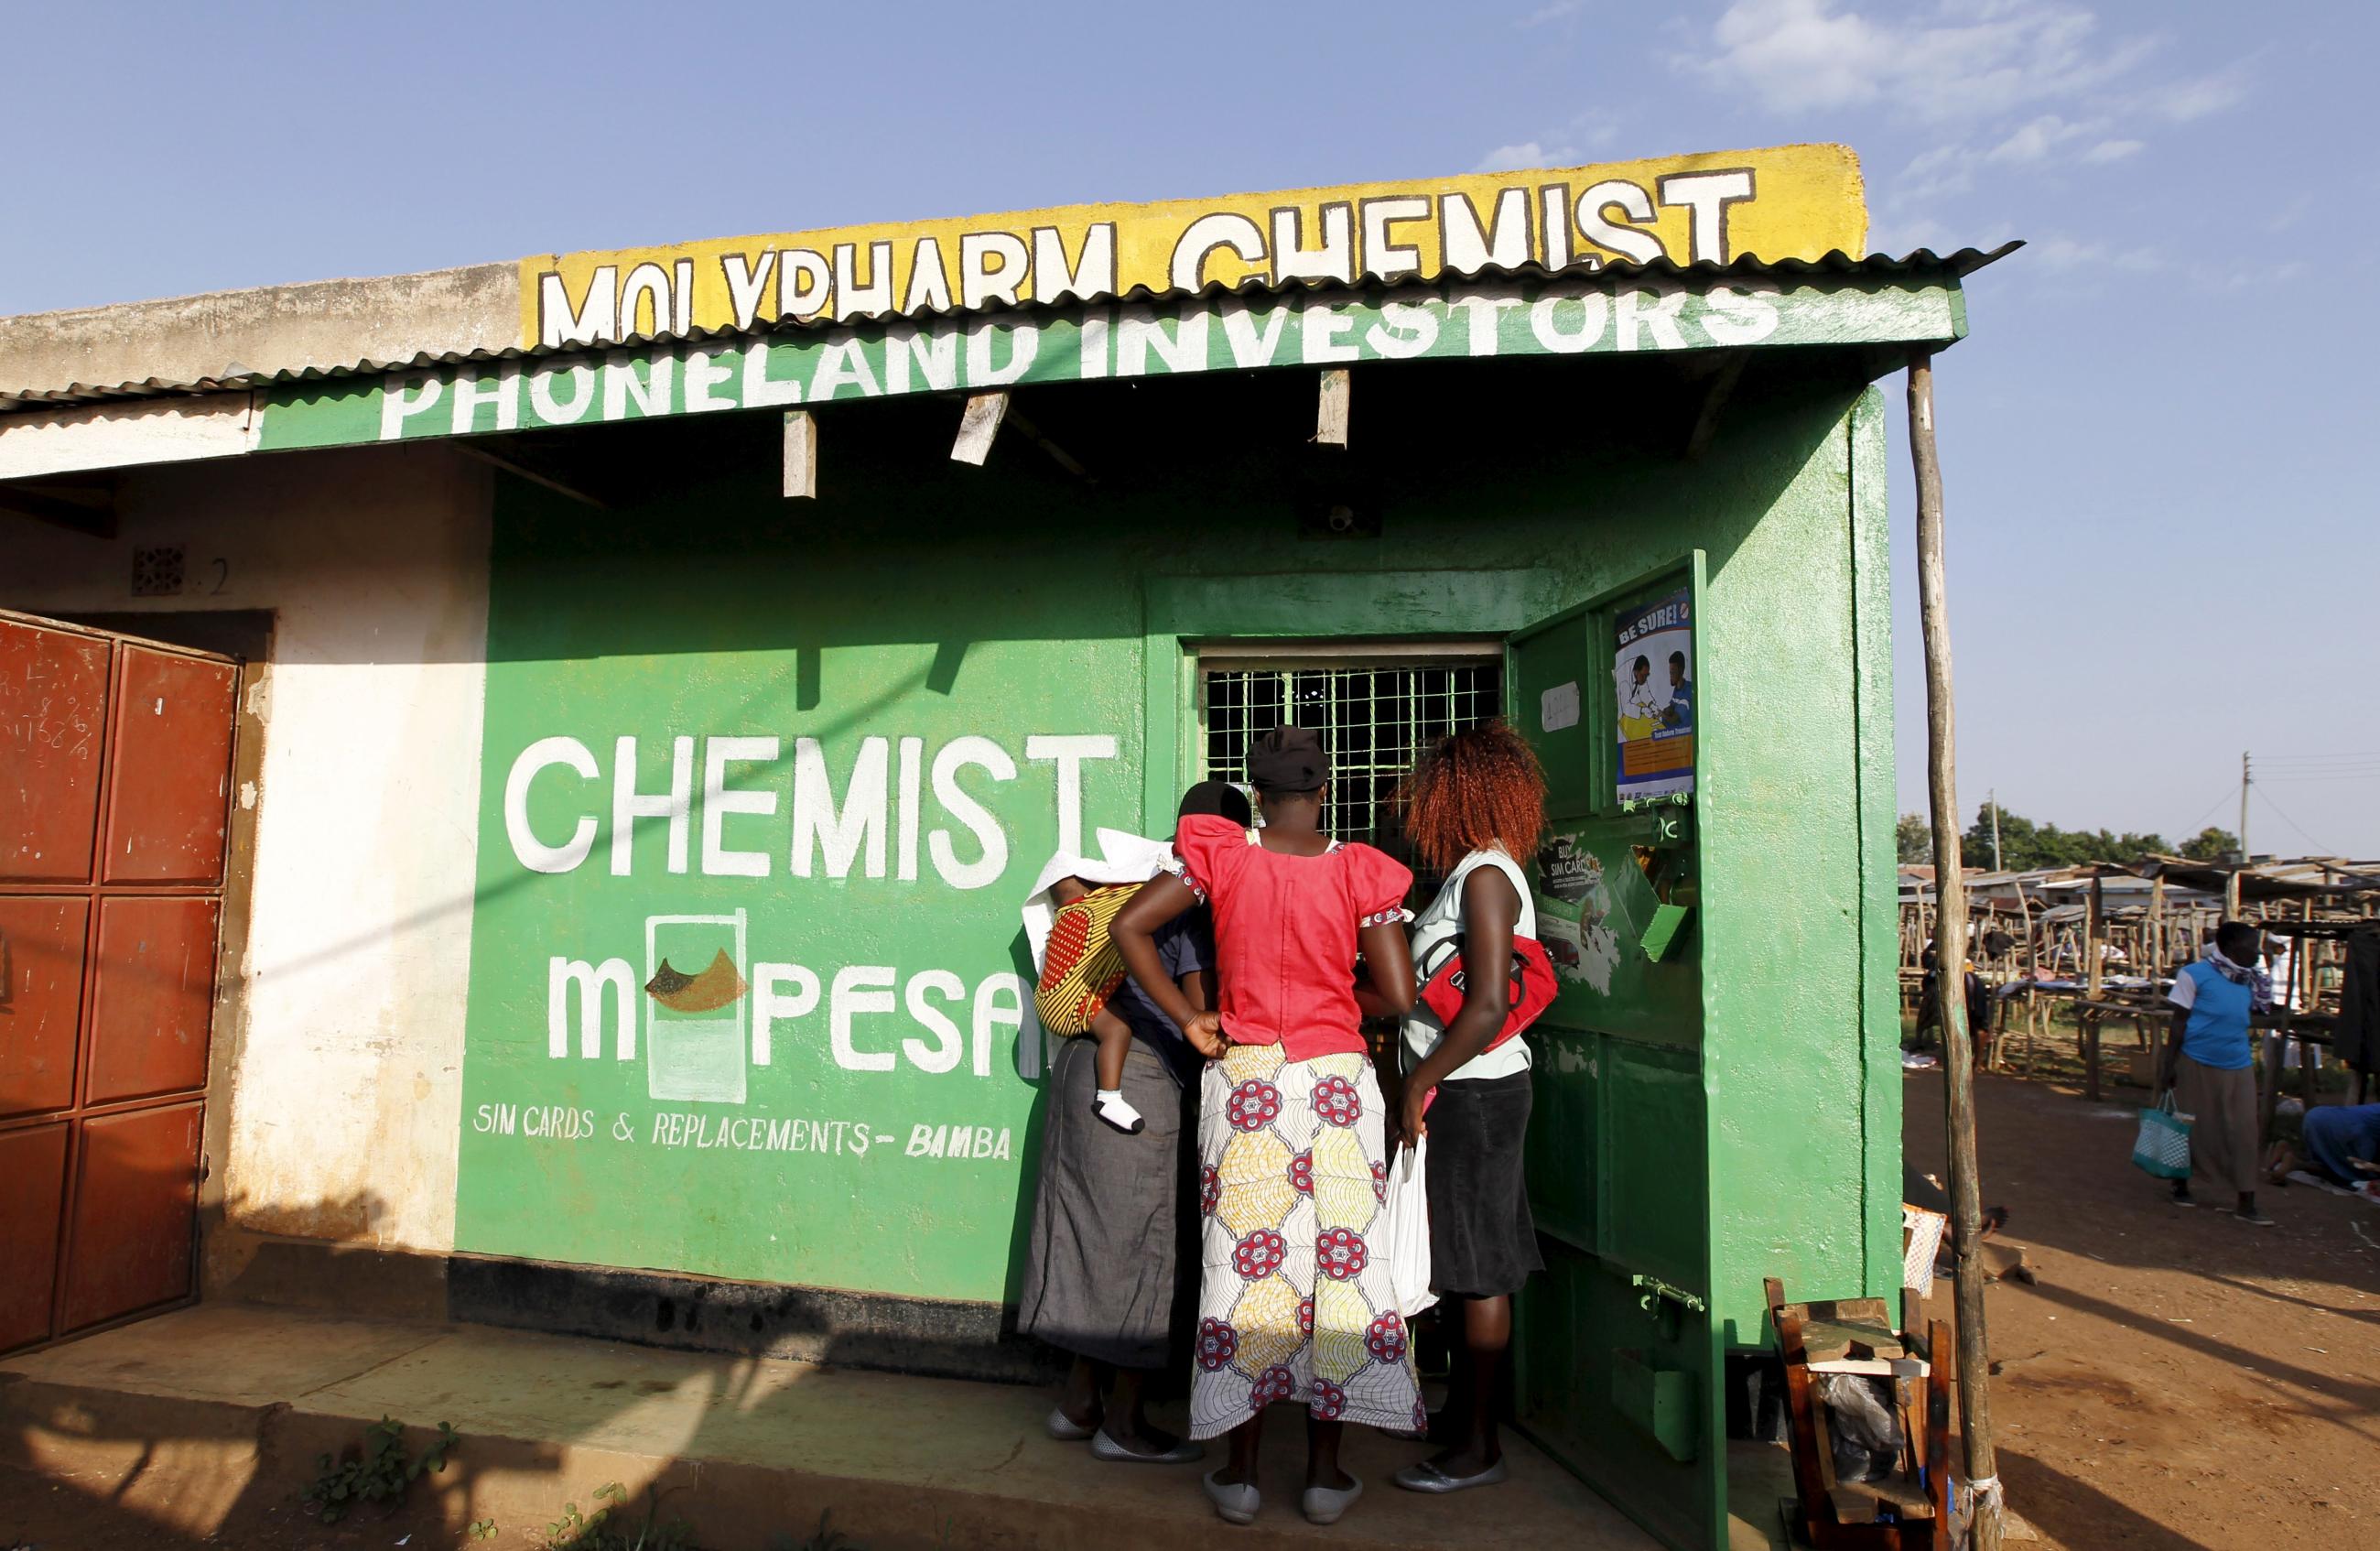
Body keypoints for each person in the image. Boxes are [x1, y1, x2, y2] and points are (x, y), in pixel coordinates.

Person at [1111, 725, 1420, 1529]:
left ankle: (1241, 1476)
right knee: (1340, 1270)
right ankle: (1324, 1478)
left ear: (1254, 794)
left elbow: (1128, 928)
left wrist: (1188, 1016)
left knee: (1246, 1273)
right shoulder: (1358, 870)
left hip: (1246, 1082)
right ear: (1325, 792)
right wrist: (1336, 1009)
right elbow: (1397, 991)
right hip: (1339, 1092)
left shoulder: (1224, 854)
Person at [1018, 781, 1252, 1464]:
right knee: (1145, 1246)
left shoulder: (1124, 885)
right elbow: (1201, 1004)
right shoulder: (1189, 903)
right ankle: (1123, 1421)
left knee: (1094, 1241)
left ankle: (1077, 1401)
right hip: (1142, 1080)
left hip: (1079, 1074)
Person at [1386, 721, 1545, 1495]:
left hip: (1475, 1094)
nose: (1421, 812)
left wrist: (1419, 1082)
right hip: (1465, 1091)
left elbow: (1483, 1006)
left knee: (1481, 1268)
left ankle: (1478, 1445)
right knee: (1459, 1260)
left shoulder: (1485, 877)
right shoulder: (1470, 876)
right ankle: (1462, 1419)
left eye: (1431, 797)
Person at [2161, 921, 2276, 1225]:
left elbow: (2251, 1014)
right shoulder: (2194, 975)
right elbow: (2178, 1023)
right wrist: (2168, 1065)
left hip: (2238, 1063)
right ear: (2228, 948)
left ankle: (2246, 1201)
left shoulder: (2250, 980)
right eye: (2250, 947)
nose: (2257, 952)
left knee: (2244, 1131)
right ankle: (2181, 1183)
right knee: (2190, 1125)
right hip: (2196, 1061)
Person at [1661, 650, 1693, 732]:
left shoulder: (1687, 692)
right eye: (1670, 672)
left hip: (1683, 738)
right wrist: (1666, 711)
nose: (1671, 676)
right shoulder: (1677, 688)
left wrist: (1660, 714)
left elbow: (1673, 720)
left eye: (1673, 672)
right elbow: (1670, 708)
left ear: (1681, 671)